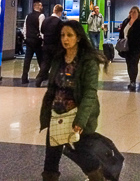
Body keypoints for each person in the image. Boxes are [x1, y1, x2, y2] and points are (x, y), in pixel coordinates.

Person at [39, 20, 109, 181]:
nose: (65, 39)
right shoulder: (58, 58)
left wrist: (81, 120)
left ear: (78, 37)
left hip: (76, 115)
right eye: (63, 35)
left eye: (69, 35)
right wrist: (47, 112)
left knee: (80, 152)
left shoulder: (87, 62)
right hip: (57, 114)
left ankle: (96, 175)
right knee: (51, 155)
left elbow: (90, 93)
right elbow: (52, 88)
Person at [35, 4, 64, 87]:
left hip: (46, 45)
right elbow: (61, 34)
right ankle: (54, 81)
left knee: (45, 63)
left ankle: (39, 79)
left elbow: (42, 30)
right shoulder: (59, 22)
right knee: (56, 64)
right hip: (55, 46)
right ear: (60, 12)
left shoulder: (46, 20)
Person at [21, 0, 45, 84]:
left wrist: (25, 37)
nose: (42, 7)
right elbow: (41, 29)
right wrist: (43, 39)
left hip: (29, 40)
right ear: (38, 6)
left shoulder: (28, 16)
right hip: (37, 40)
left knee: (27, 59)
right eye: (41, 5)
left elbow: (24, 28)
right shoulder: (41, 16)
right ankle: (43, 75)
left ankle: (24, 77)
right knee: (40, 59)